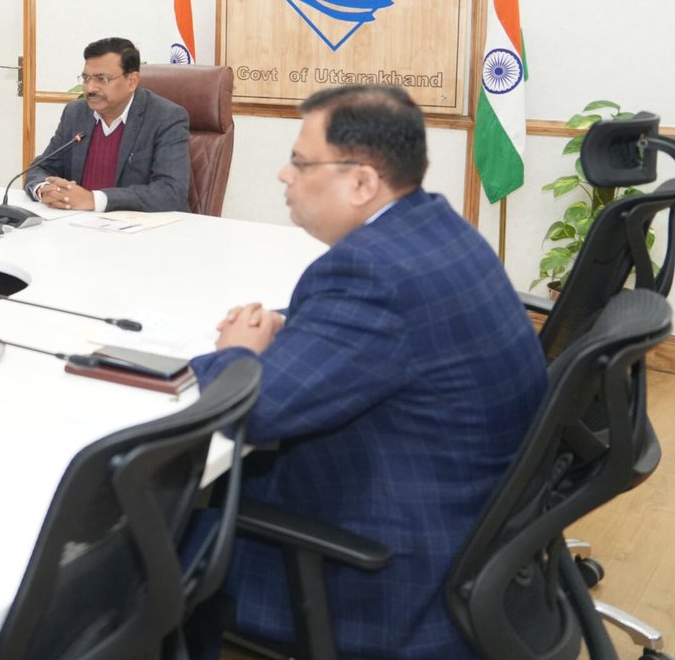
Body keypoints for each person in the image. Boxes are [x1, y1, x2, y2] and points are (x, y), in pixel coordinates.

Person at [188, 85, 546, 659]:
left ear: (361, 183)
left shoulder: (367, 273)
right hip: (475, 534)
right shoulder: (437, 228)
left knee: (153, 530)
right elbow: (382, 334)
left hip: (393, 575)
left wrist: (237, 351)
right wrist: (296, 325)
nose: (283, 174)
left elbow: (249, 412)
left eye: (300, 162)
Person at [24, 36, 190, 212]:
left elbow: (171, 191)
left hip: (141, 225)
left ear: (132, 81)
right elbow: (40, 168)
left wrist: (94, 200)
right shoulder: (76, 113)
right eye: (86, 78)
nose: (90, 88)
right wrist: (44, 189)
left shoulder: (166, 117)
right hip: (78, 221)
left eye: (102, 79)